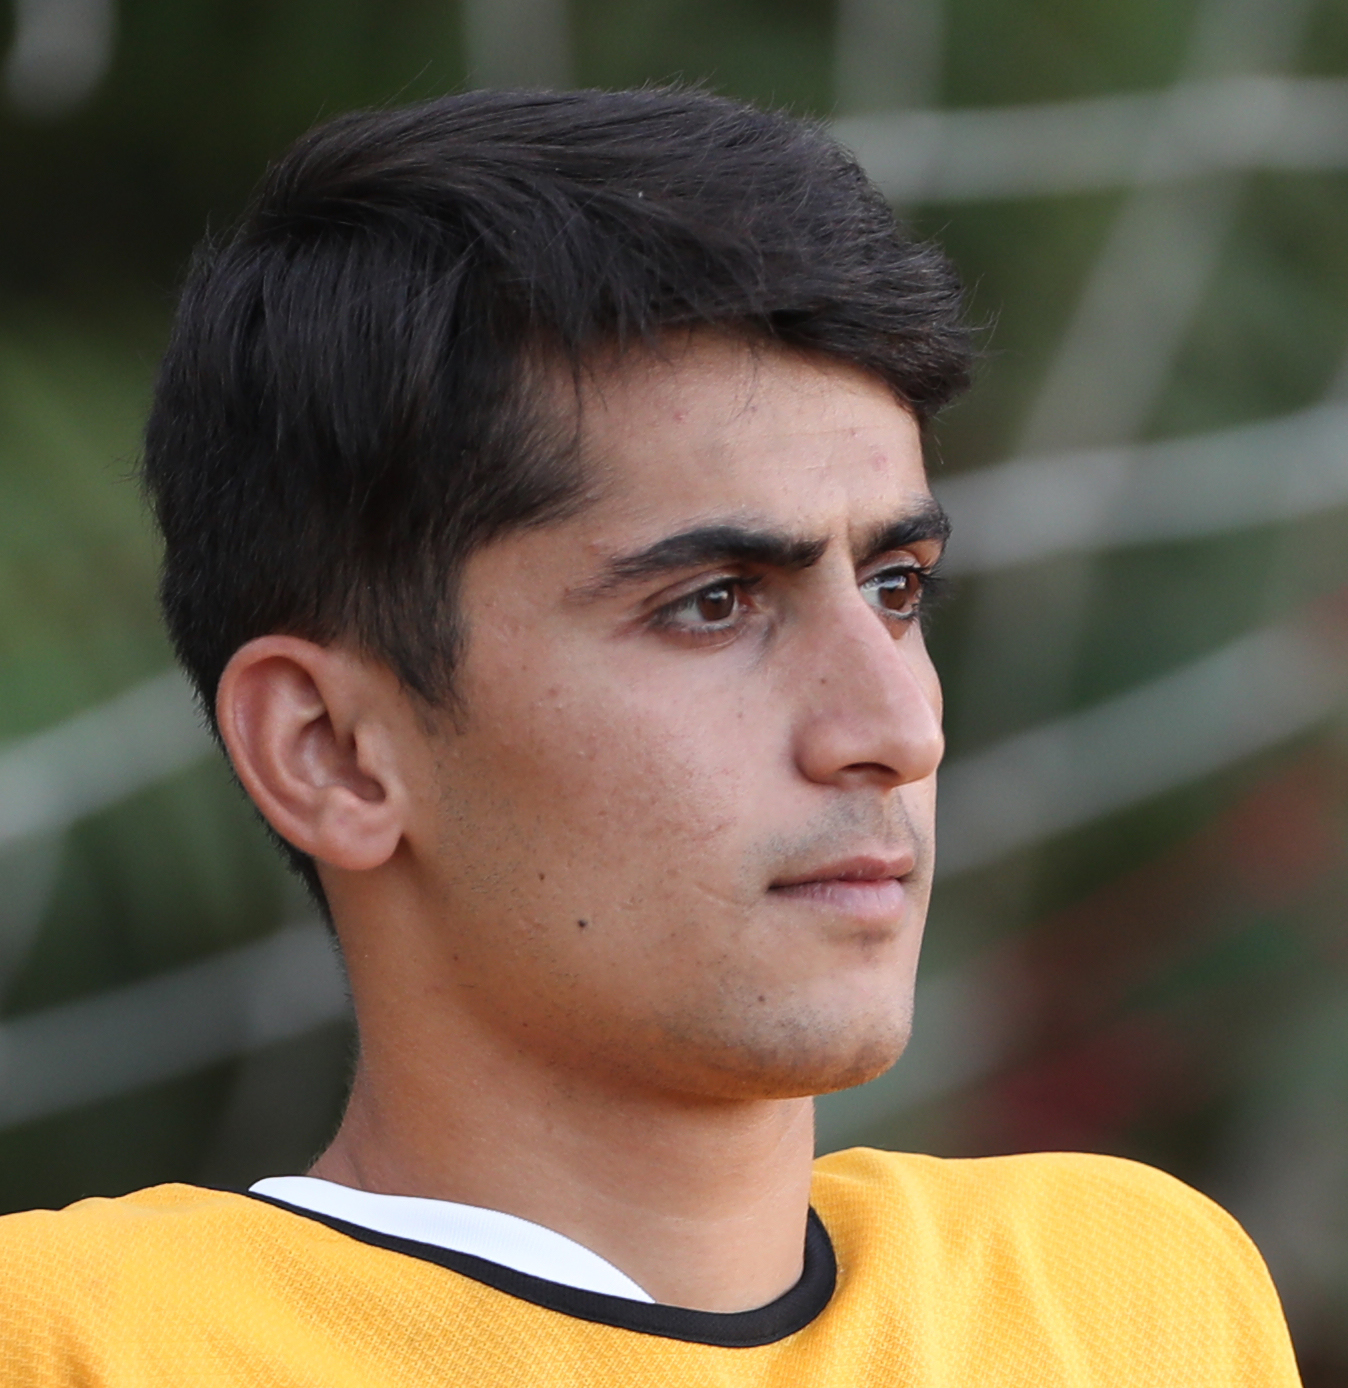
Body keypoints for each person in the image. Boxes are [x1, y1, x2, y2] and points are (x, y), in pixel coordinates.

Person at [0, 87, 1300, 1386]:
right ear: (330, 749)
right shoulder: (81, 1345)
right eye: (713, 605)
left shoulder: (1134, 1297)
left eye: (897, 587)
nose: (898, 729)